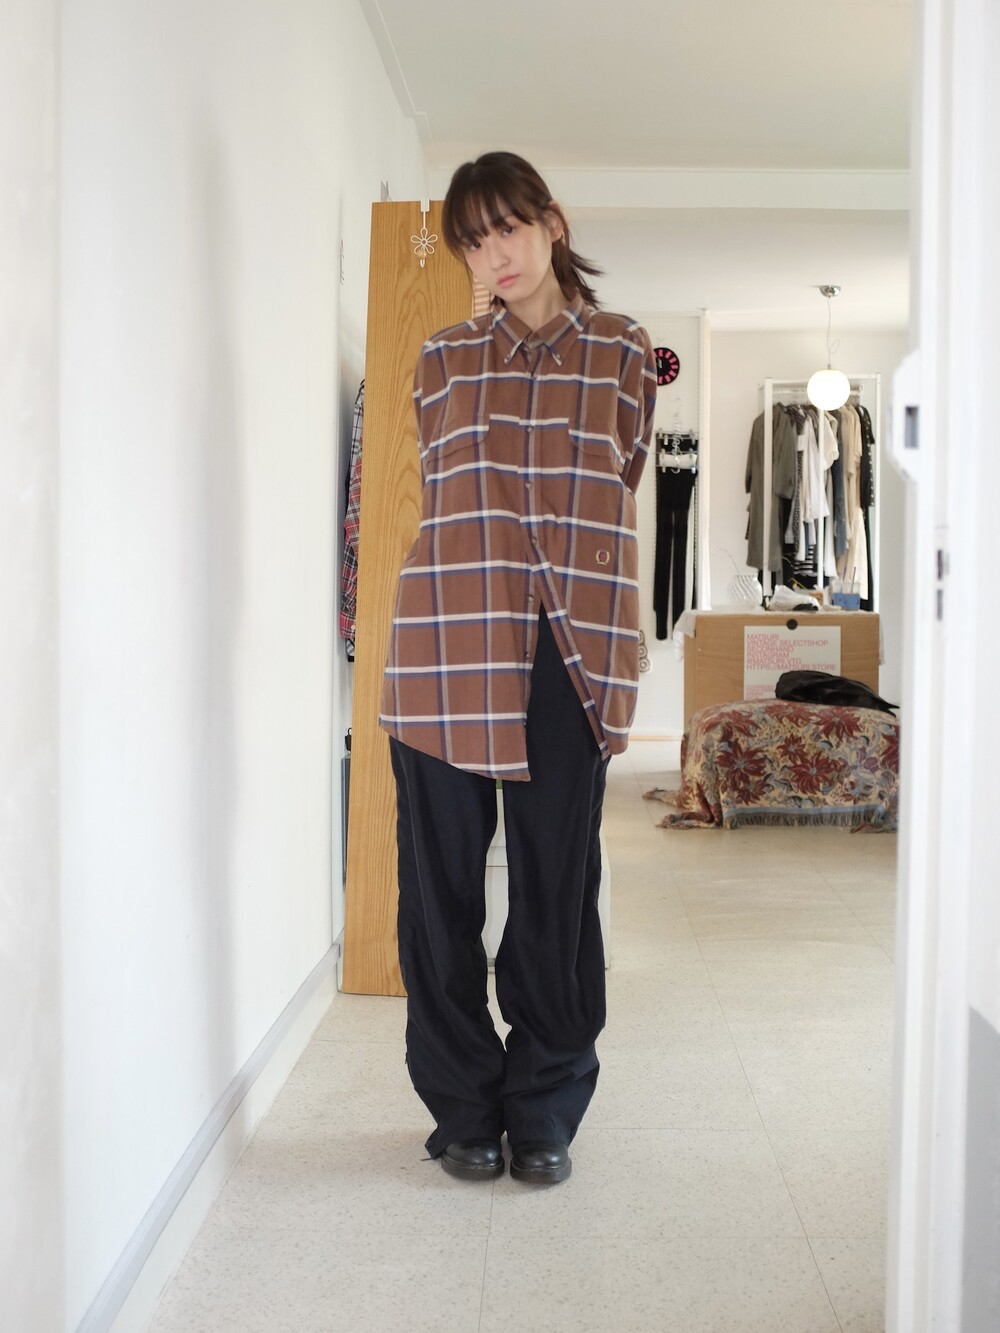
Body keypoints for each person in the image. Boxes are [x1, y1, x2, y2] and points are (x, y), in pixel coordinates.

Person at [379, 152, 656, 1184]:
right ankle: (462, 1105)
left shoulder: (623, 351)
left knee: (556, 887)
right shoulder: (443, 359)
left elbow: (615, 487)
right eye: (471, 240)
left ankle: (545, 1104)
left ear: (551, 223)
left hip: (567, 653)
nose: (491, 254)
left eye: (506, 228)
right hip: (446, 644)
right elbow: (445, 496)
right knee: (438, 890)